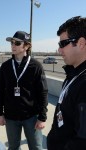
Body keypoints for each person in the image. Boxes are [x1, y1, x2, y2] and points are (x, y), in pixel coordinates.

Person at [0, 31, 48, 150]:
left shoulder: (36, 66)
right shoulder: (6, 66)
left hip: (31, 117)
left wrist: (42, 117)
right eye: (12, 43)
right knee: (13, 147)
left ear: (27, 46)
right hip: (10, 117)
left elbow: (43, 92)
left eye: (17, 43)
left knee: (36, 147)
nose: (13, 45)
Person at [47, 16, 86, 150]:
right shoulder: (73, 74)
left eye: (63, 43)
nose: (59, 50)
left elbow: (82, 142)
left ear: (81, 43)